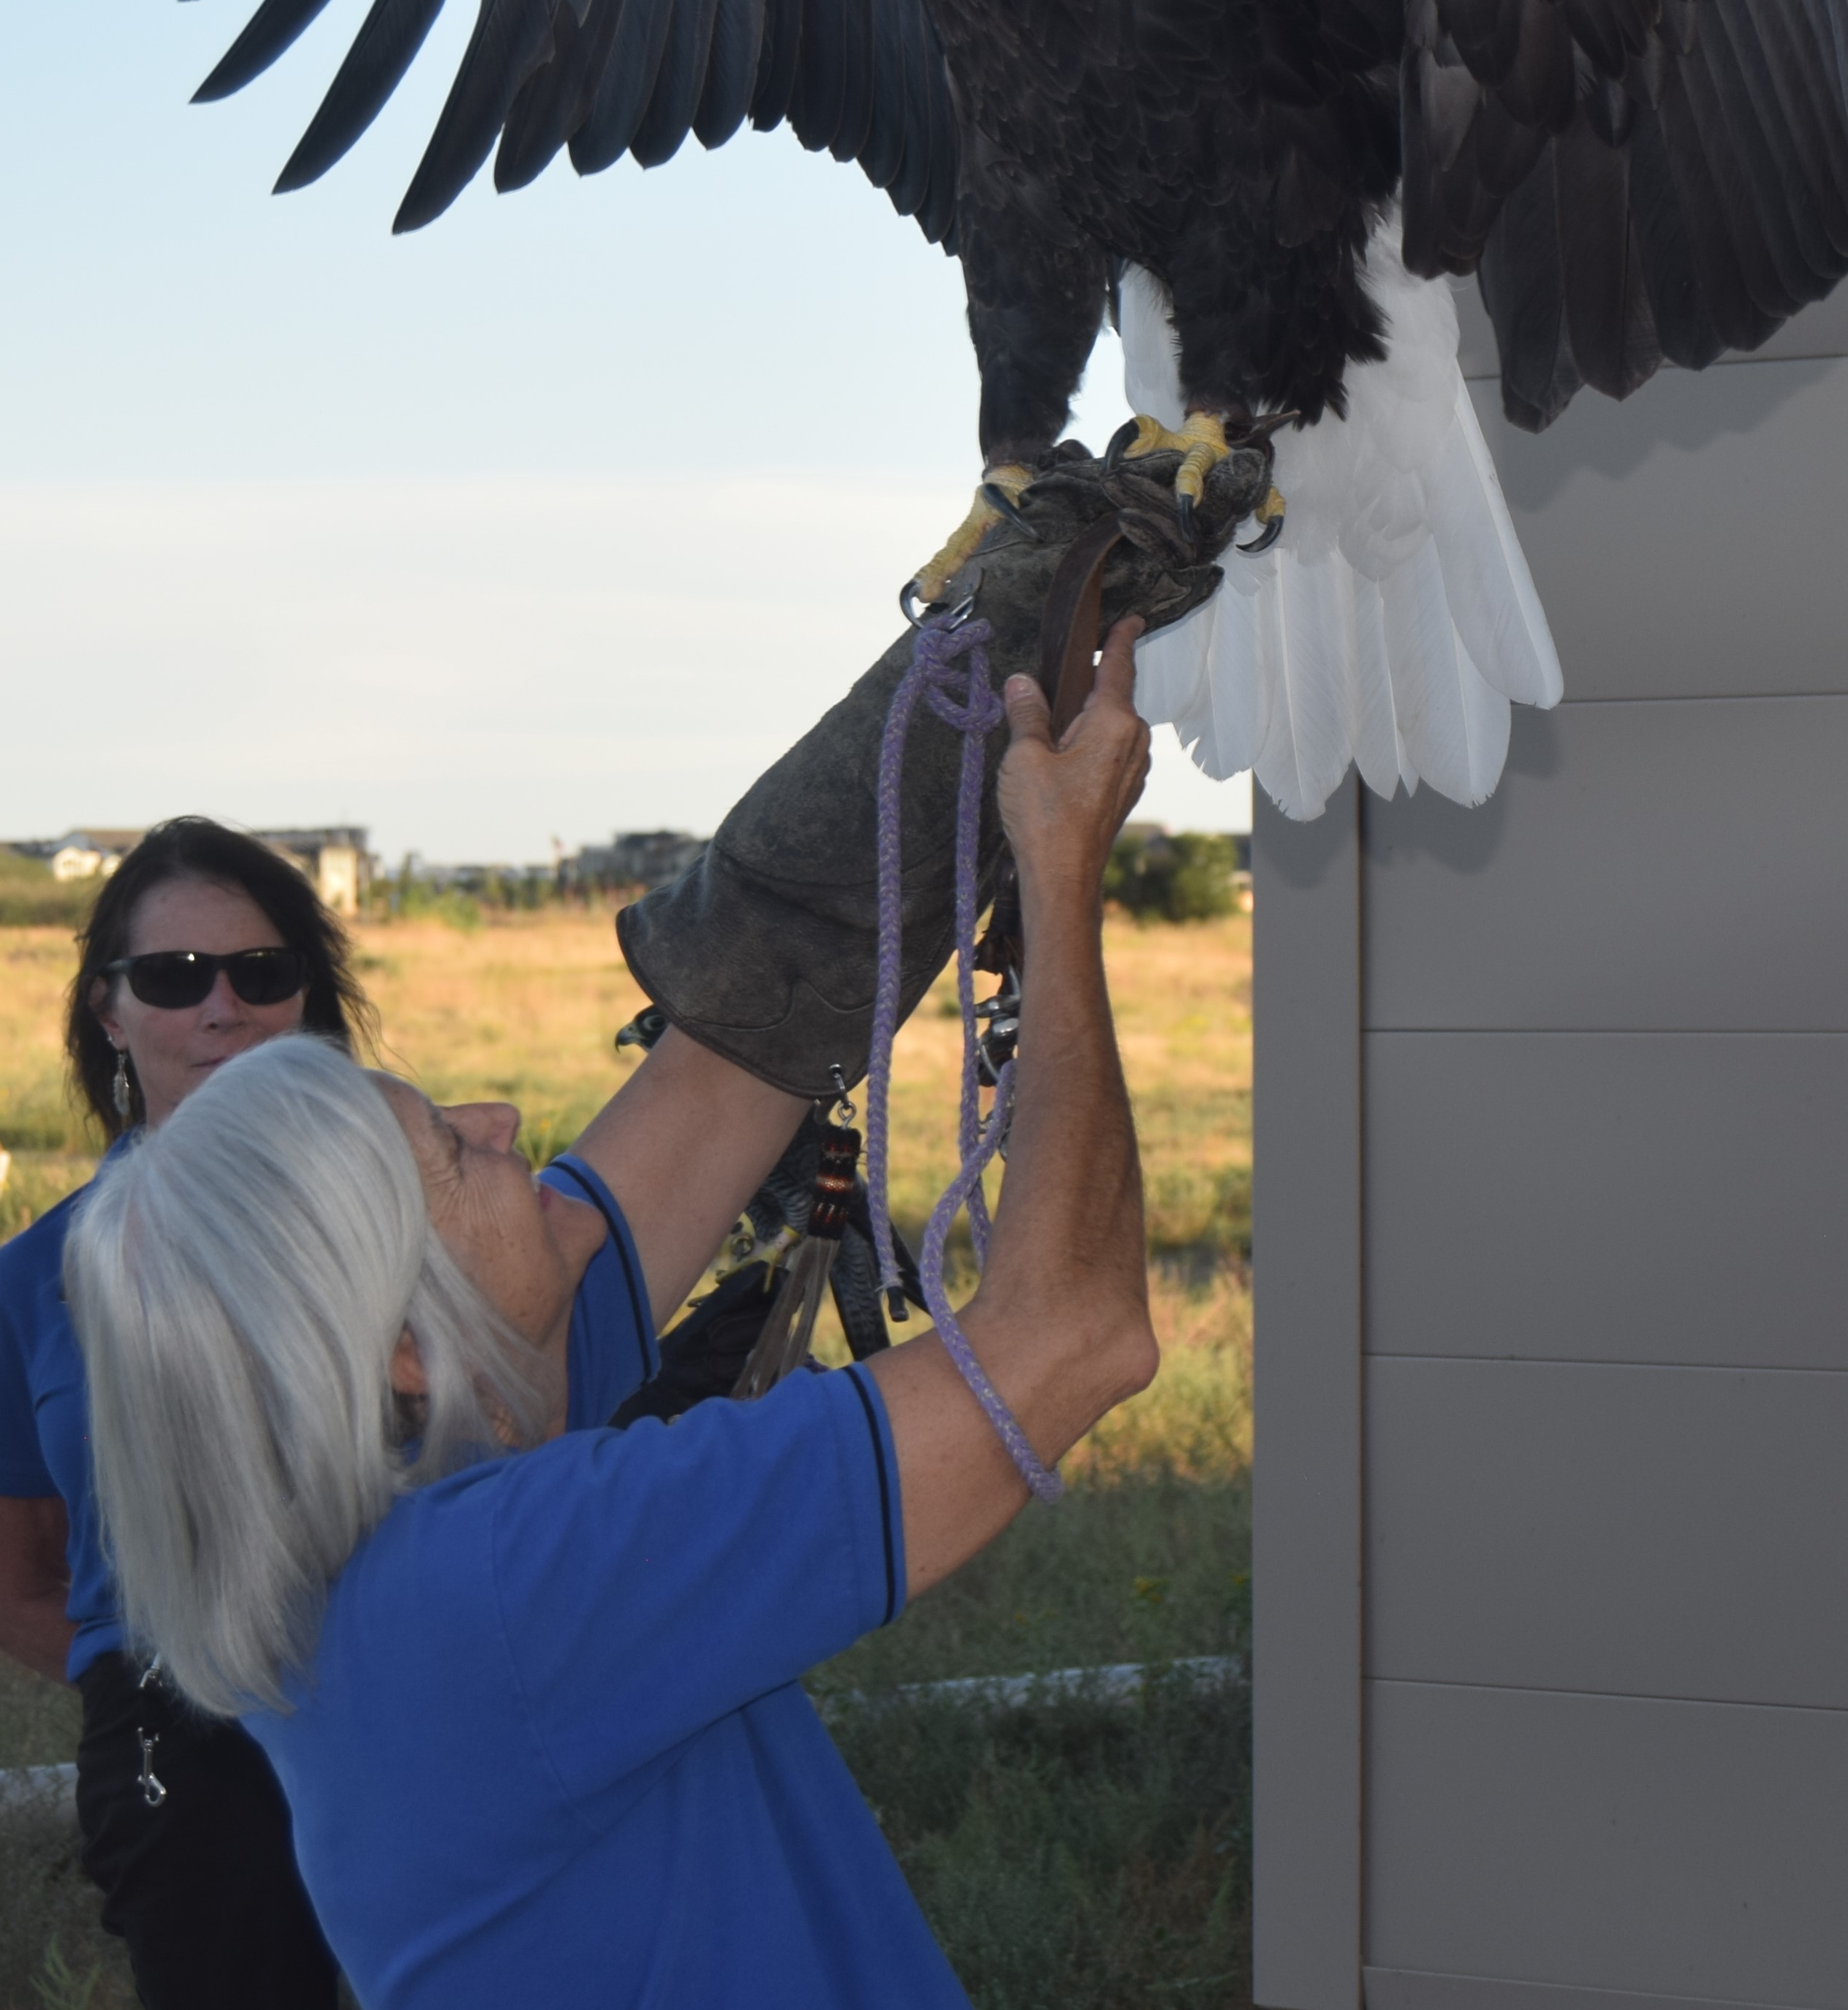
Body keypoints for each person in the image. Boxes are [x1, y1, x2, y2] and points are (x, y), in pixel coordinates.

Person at [64, 592, 1183, 2010]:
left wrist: (978, 627)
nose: (495, 1116)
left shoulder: (430, 1483)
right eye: (437, 1153)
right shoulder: (496, 1587)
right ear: (403, 1345)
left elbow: (734, 1061)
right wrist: (1063, 877)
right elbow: (1074, 1335)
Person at [0, 817, 364, 2010]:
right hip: (179, 1752)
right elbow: (11, 1587)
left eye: (263, 972)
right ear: (109, 1010)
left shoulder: (419, 1229)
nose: (221, 1007)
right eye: (176, 977)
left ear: (309, 1002)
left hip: (421, 1703)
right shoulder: (41, 1275)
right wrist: (166, 1686)